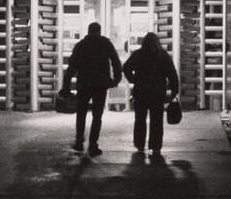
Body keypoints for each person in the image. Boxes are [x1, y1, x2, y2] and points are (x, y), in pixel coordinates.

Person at [59, 22, 122, 157]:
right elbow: (116, 62)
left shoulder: (81, 45)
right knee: (97, 116)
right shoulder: (106, 44)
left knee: (81, 113)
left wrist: (66, 86)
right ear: (99, 31)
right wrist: (116, 80)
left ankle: (79, 141)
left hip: (84, 84)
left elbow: (71, 67)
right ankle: (93, 145)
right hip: (100, 85)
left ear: (88, 31)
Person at [122, 32, 179, 157]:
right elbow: (172, 73)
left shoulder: (138, 54)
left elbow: (126, 67)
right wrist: (175, 90)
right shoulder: (163, 56)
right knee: (157, 120)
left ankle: (140, 145)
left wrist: (133, 80)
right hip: (158, 92)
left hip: (140, 91)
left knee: (140, 119)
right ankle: (156, 147)